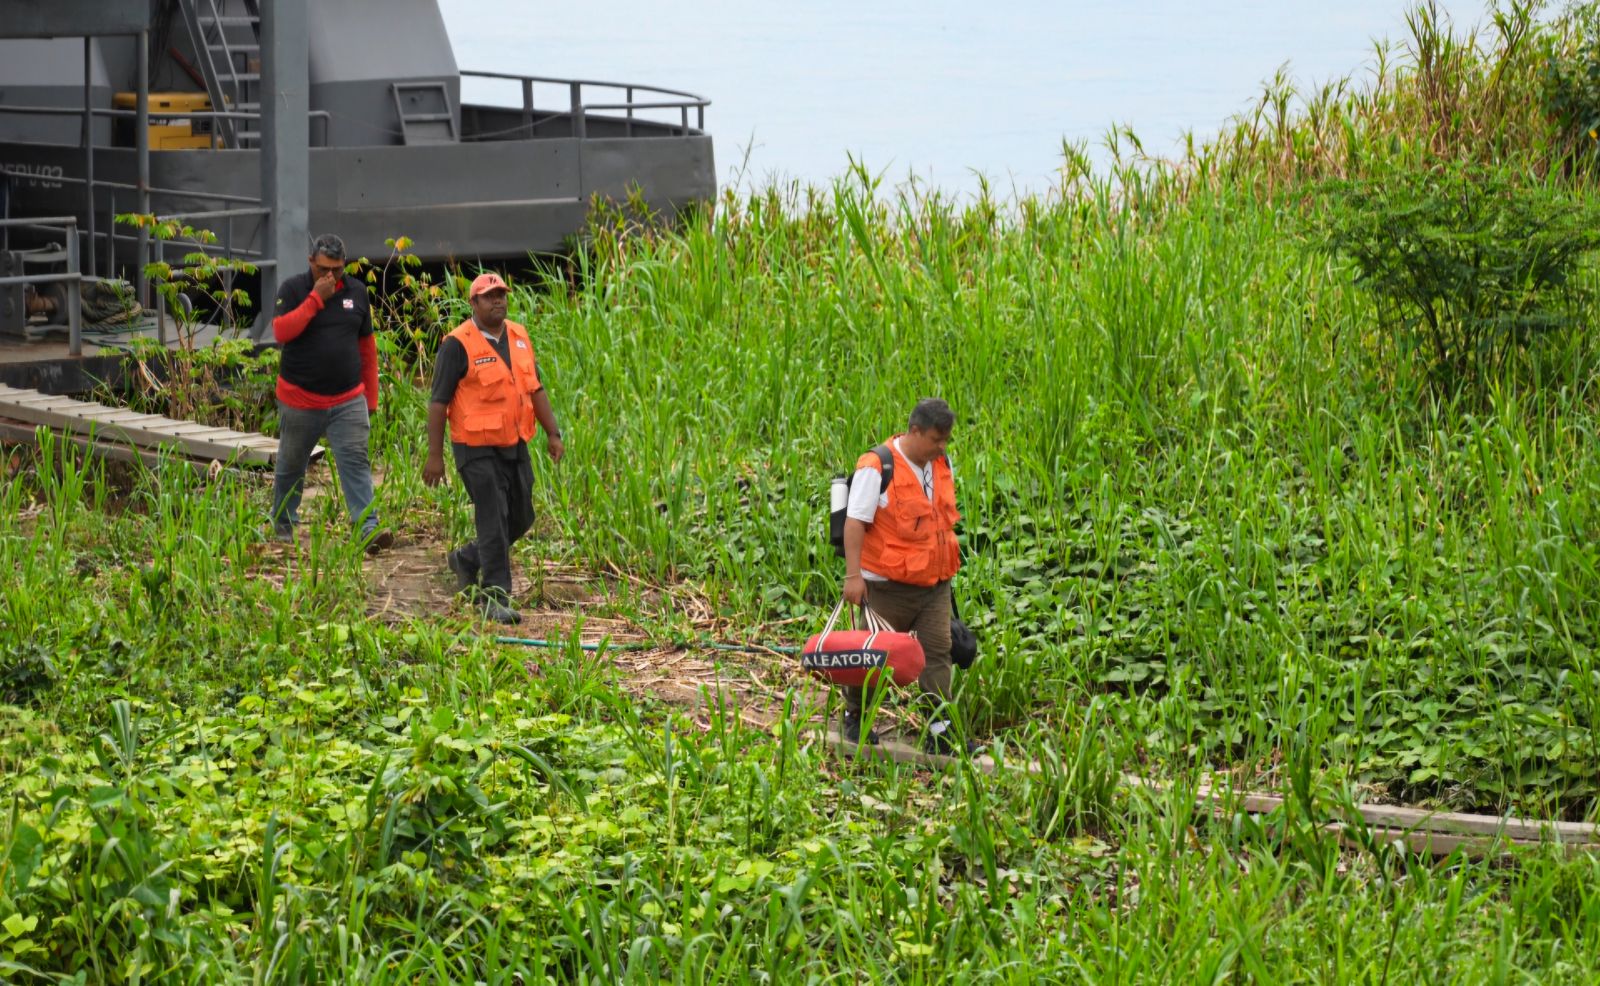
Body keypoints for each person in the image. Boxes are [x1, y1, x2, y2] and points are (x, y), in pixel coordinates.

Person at [423, 272, 565, 624]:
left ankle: (468, 559)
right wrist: (434, 456)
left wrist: (553, 433)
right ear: (473, 303)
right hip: (474, 448)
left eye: (501, 294)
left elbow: (535, 388)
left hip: (514, 443)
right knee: (493, 517)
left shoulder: (518, 335)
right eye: (488, 296)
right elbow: (438, 404)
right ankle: (495, 595)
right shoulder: (458, 344)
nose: (497, 300)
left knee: (521, 516)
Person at [840, 397, 977, 755]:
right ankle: (856, 716)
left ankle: (941, 731)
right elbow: (855, 523)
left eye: (946, 439)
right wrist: (853, 577)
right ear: (915, 431)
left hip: (933, 586)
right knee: (876, 656)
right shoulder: (877, 466)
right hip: (886, 586)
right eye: (936, 439)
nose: (942, 446)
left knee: (937, 653)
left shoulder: (939, 462)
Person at [269, 233, 392, 551]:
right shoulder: (293, 289)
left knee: (355, 462)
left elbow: (367, 348)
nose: (330, 275)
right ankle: (283, 525)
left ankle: (367, 527)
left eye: (337, 269)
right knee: (291, 465)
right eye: (324, 268)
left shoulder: (357, 293)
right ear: (311, 262)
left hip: (347, 398)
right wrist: (316, 299)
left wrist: (371, 397)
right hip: (300, 398)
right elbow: (282, 332)